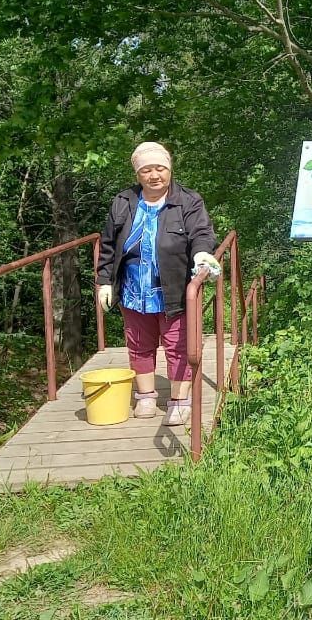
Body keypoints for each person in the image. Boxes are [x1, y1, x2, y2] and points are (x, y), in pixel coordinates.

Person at [95, 141, 220, 426]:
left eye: (160, 168)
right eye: (146, 170)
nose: (155, 175)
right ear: (138, 174)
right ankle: (147, 397)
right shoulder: (124, 201)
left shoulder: (188, 200)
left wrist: (201, 254)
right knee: (139, 343)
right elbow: (108, 245)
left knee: (178, 344)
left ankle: (179, 401)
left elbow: (201, 233)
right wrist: (104, 281)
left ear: (170, 168)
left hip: (174, 288)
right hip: (133, 288)